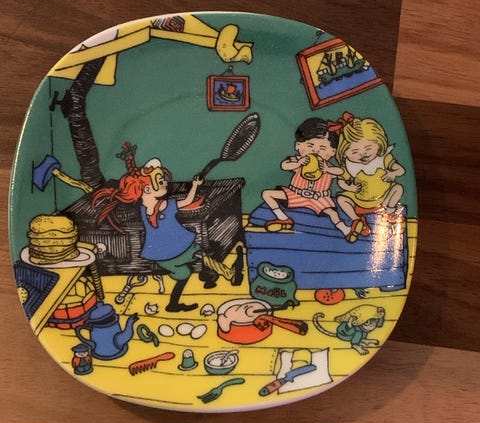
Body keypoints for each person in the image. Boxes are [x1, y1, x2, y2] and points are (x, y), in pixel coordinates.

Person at [92, 142, 243, 312]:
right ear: (147, 189)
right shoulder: (165, 205)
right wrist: (195, 186)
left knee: (194, 263)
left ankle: (219, 278)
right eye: (160, 181)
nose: (165, 183)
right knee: (198, 257)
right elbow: (187, 201)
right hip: (176, 248)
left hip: (161, 255)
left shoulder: (142, 209)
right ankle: (223, 275)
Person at [262, 118, 351, 238]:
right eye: (310, 145)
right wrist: (298, 163)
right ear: (298, 146)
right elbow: (284, 165)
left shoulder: (327, 166)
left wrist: (328, 169)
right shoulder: (300, 161)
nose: (315, 150)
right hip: (296, 194)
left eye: (322, 148)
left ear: (332, 152)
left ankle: (345, 230)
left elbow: (341, 171)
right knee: (267, 194)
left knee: (332, 213)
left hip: (319, 199)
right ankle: (283, 218)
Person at [335, 112, 405, 242]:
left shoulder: (383, 158)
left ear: (379, 144)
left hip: (383, 198)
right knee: (341, 199)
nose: (363, 154)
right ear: (344, 153)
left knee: (398, 188)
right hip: (359, 199)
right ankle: (357, 220)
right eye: (355, 151)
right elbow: (340, 181)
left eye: (368, 148)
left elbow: (401, 170)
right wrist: (349, 188)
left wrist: (393, 173)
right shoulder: (349, 166)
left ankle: (389, 213)